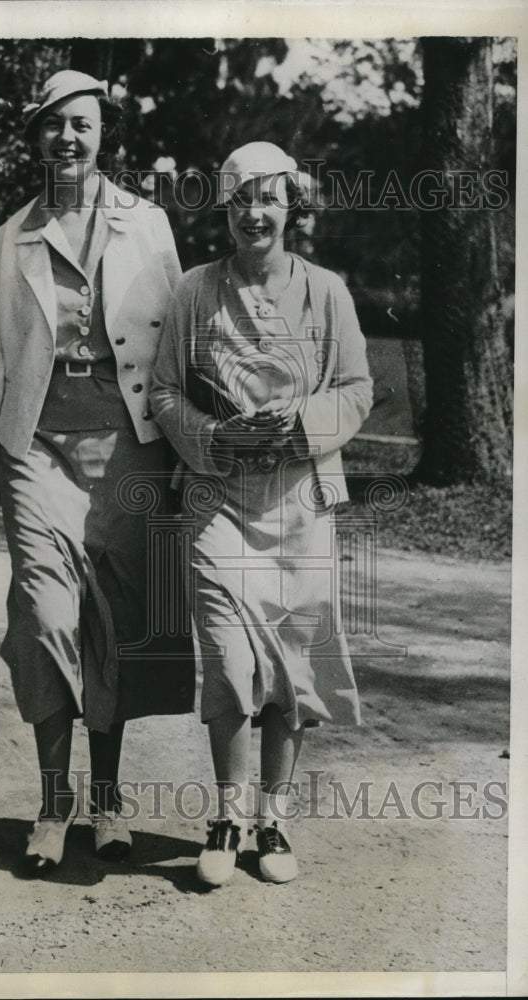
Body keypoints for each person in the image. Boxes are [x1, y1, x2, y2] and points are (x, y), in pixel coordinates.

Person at [0, 70, 194, 876]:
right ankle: (53, 805)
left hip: (132, 456)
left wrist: (192, 451)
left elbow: (181, 343)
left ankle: (108, 800)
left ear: (102, 132)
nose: (69, 140)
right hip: (36, 452)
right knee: (48, 621)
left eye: (81, 125)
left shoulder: (149, 223)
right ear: (36, 138)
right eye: (54, 127)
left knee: (114, 625)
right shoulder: (9, 235)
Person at [149, 142, 373, 887]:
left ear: (291, 207)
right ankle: (226, 816)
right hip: (218, 497)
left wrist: (301, 421)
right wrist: (216, 437)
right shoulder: (193, 292)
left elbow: (357, 388)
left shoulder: (328, 292)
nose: (255, 213)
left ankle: (272, 822)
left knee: (292, 664)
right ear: (225, 209)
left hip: (302, 500)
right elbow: (164, 394)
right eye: (241, 199)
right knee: (228, 657)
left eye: (269, 198)